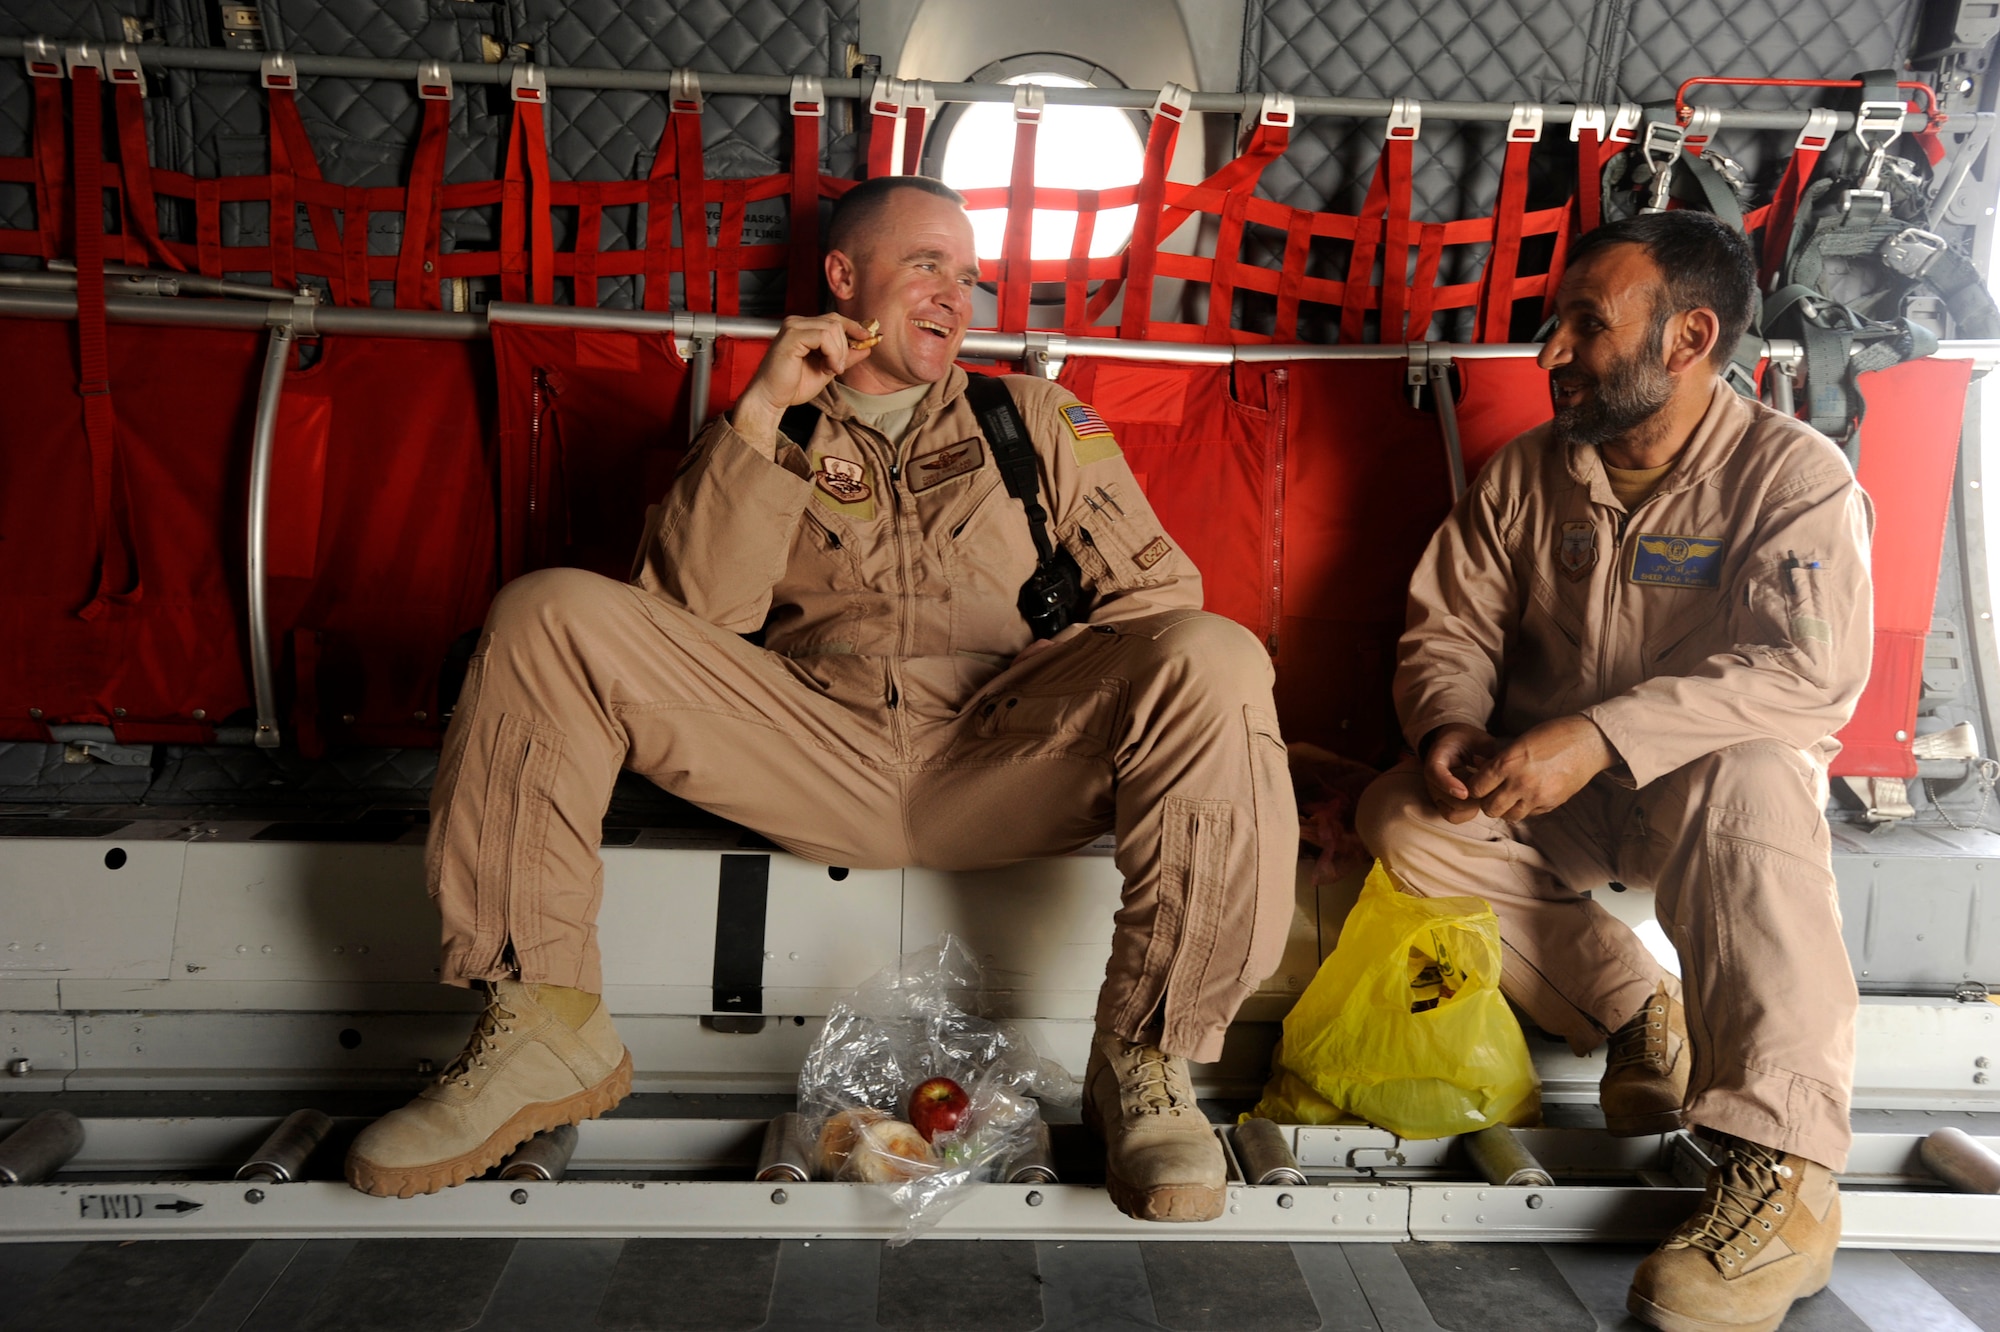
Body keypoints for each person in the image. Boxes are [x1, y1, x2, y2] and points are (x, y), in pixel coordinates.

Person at [343, 176, 1297, 1223]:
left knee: (1214, 653)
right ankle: (542, 1027)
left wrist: (1076, 683)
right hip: (810, 744)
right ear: (843, 277)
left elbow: (1156, 608)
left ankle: (1145, 1061)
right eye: (926, 266)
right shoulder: (766, 426)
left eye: (968, 276)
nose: (955, 295)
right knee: (547, 611)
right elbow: (689, 621)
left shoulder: (1027, 417)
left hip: (1009, 748)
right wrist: (762, 414)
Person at [1356, 210, 1871, 1331]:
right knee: (1399, 814)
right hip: (1555, 800)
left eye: (1585, 325)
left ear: (1688, 339)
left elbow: (1806, 677)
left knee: (1757, 776)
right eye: (1556, 323)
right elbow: (1448, 631)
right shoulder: (1526, 473)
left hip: (1700, 797)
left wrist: (1598, 735)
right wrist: (1449, 726)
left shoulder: (1794, 476)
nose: (1551, 351)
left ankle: (1785, 1180)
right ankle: (1638, 1007)